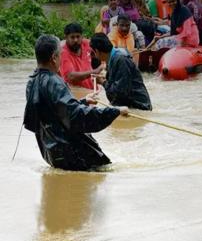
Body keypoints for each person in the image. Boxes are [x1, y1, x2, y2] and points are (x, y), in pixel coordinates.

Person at [24, 35, 129, 171]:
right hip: (74, 154)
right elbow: (76, 116)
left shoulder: (32, 82)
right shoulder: (55, 82)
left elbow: (55, 113)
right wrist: (115, 111)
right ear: (54, 58)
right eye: (60, 55)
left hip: (52, 153)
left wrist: (83, 101)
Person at [90, 33, 152, 111]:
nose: (93, 56)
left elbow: (120, 93)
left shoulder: (121, 60)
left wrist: (103, 82)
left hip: (139, 107)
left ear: (97, 51)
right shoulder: (113, 58)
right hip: (130, 106)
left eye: (92, 53)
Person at [60, 23, 103, 90]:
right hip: (76, 95)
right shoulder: (63, 53)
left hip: (92, 91)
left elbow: (101, 50)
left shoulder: (85, 44)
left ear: (82, 36)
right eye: (72, 37)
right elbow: (71, 76)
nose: (76, 40)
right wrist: (95, 71)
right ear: (66, 38)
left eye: (78, 36)